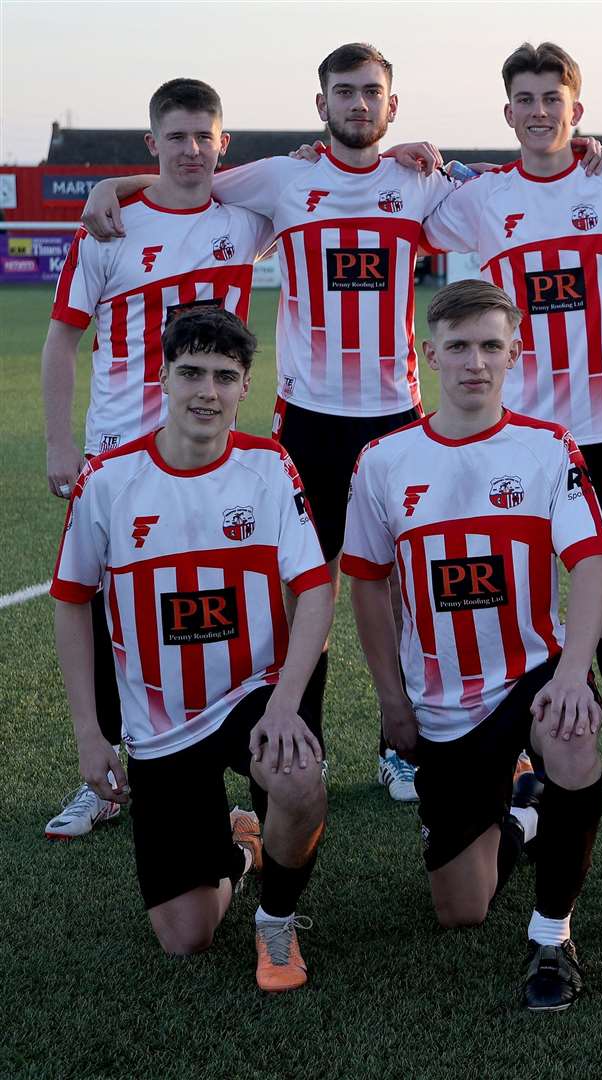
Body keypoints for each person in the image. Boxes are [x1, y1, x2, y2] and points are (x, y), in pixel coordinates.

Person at [81, 44, 460, 802]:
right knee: (300, 593)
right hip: (308, 423)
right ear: (320, 105)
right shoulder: (285, 177)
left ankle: (407, 743)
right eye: (344, 92)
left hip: (397, 420)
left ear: (393, 105)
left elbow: (517, 187)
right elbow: (182, 181)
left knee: (415, 589)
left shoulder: (421, 182)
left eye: (372, 93)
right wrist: (108, 183)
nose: (359, 104)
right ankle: (301, 745)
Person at [416, 42, 602, 799]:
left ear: (575, 109)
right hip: (516, 430)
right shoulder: (480, 199)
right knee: (511, 585)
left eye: (554, 99)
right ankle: (512, 741)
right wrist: (409, 155)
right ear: (506, 111)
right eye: (526, 99)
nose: (539, 112)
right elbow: (393, 212)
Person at [342, 280, 602, 1011]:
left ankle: (552, 938)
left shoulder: (547, 447)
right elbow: (366, 583)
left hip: (532, 672)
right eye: (457, 347)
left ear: (513, 353)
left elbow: (589, 562)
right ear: (428, 354)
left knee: (575, 733)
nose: (474, 362)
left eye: (490, 345)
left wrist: (574, 675)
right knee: (460, 910)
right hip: (440, 702)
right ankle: (522, 812)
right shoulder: (383, 460)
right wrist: (391, 700)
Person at [51, 306, 332, 991]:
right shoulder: (108, 480)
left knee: (297, 776)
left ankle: (277, 921)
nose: (207, 390)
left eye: (224, 376)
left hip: (250, 689)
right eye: (192, 373)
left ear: (244, 386)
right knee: (185, 938)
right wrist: (92, 735)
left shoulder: (269, 466)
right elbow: (70, 601)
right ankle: (238, 848)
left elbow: (317, 589)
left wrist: (288, 704)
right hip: (160, 719)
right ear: (164, 377)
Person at [40, 77, 274, 840]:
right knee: (105, 604)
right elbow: (62, 340)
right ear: (153, 143)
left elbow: (330, 173)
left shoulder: (246, 219)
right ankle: (105, 776)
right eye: (176, 136)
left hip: (213, 450)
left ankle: (233, 756)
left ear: (223, 142)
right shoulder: (109, 231)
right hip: (118, 453)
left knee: (221, 597)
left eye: (204, 135)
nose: (191, 150)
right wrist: (57, 441)